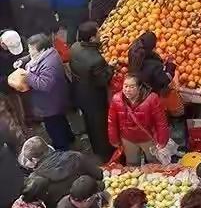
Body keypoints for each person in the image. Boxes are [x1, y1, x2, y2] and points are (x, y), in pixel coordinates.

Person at [69, 21, 114, 160]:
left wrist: (98, 45)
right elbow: (103, 80)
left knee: (89, 121)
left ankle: (95, 147)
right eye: (98, 32)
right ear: (92, 38)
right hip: (94, 97)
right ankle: (105, 153)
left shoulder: (75, 47)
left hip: (80, 92)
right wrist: (111, 68)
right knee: (99, 126)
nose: (100, 34)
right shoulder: (96, 60)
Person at [23, 33, 72, 150]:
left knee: (53, 127)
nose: (29, 51)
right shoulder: (48, 54)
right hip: (55, 99)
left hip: (50, 102)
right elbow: (32, 57)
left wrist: (27, 75)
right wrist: (22, 61)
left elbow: (43, 84)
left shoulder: (49, 64)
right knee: (60, 120)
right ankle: (69, 137)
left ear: (42, 50)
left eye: (31, 49)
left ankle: (62, 149)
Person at [108, 75, 169, 165]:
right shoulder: (116, 99)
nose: (127, 90)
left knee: (154, 163)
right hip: (128, 139)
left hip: (148, 138)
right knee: (132, 164)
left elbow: (160, 121)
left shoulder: (152, 98)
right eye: (125, 86)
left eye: (132, 87)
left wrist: (162, 141)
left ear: (139, 87)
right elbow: (112, 122)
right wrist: (114, 140)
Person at [127, 31, 174, 95]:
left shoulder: (133, 53)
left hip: (137, 91)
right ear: (153, 46)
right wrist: (170, 64)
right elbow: (165, 80)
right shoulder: (154, 65)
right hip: (150, 94)